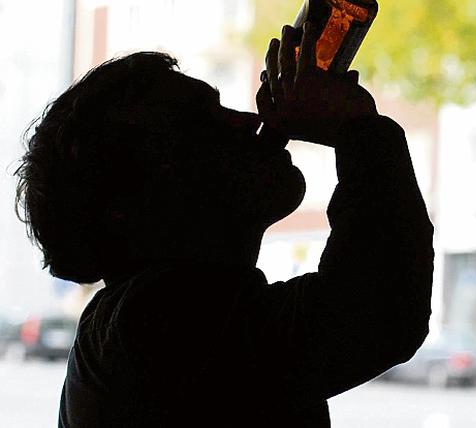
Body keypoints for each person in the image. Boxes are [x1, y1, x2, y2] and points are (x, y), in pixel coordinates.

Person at [14, 22, 433, 427]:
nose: (248, 121)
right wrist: (358, 128)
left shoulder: (129, 332)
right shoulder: (152, 328)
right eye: (203, 122)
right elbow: (375, 312)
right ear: (131, 202)